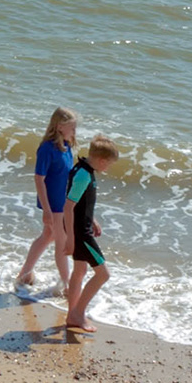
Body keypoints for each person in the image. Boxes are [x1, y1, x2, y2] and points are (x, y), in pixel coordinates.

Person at [13, 107, 77, 297]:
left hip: (63, 202)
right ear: (59, 127)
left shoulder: (66, 146)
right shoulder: (47, 149)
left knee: (48, 235)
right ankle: (67, 285)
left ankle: (24, 273)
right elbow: (39, 178)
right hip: (53, 204)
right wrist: (47, 210)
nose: (74, 132)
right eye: (71, 128)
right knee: (61, 242)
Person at [63, 135, 121, 332]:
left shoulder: (83, 169)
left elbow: (81, 203)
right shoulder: (83, 175)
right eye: (110, 164)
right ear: (102, 160)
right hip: (80, 233)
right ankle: (78, 313)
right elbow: (68, 207)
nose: (108, 168)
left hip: (82, 228)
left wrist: (92, 219)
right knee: (103, 274)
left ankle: (72, 314)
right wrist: (71, 239)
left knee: (79, 271)